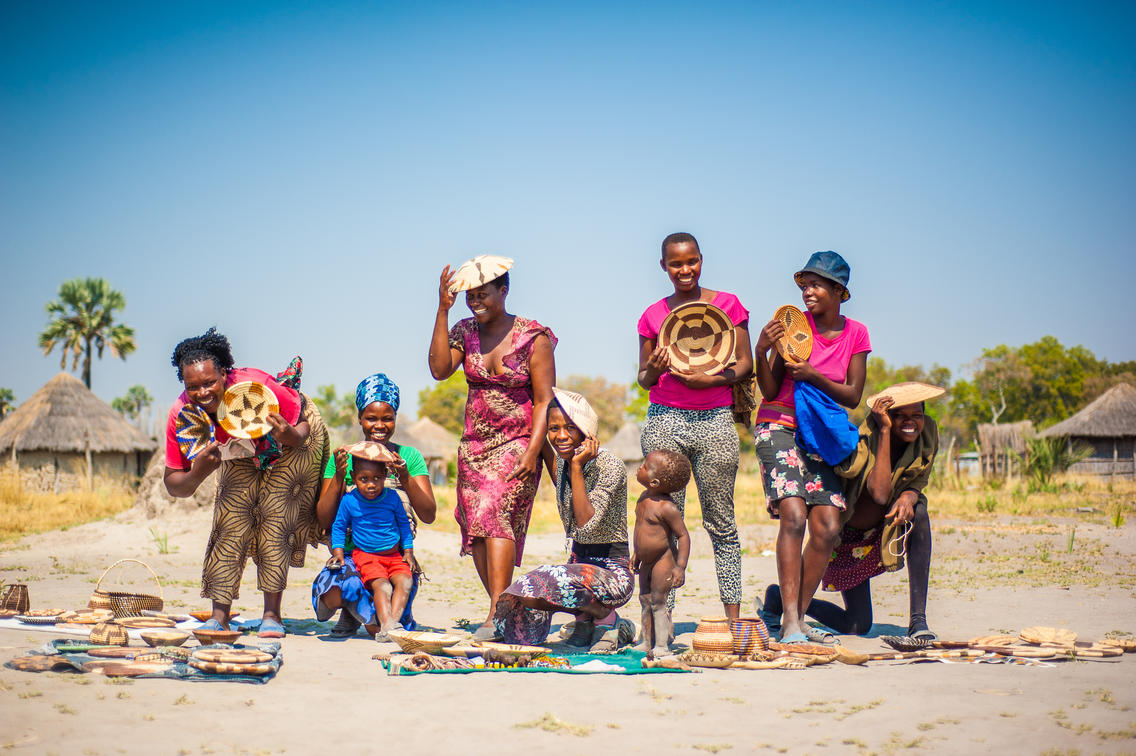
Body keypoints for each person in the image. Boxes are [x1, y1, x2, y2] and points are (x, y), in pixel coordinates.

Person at [163, 328, 328, 638]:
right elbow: (174, 484)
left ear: (225, 374)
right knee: (230, 517)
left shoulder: (257, 389)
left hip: (292, 436)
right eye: (192, 386)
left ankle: (272, 615)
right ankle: (219, 616)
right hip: (239, 446)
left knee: (275, 516)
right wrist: (198, 473)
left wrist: (289, 436)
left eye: (210, 382)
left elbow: (303, 424)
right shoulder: (183, 417)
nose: (202, 393)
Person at [428, 257, 556, 640]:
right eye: (470, 296)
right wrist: (443, 309)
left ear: (504, 290)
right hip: (474, 446)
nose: (475, 302)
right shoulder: (463, 331)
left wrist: (533, 451)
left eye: (483, 294)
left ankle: (496, 612)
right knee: (477, 527)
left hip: (518, 442)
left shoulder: (533, 338)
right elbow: (438, 370)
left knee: (495, 511)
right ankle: (505, 609)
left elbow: (545, 401)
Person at [753, 251, 870, 644]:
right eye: (805, 285)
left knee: (828, 527)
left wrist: (812, 375)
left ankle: (798, 618)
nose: (807, 291)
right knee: (793, 516)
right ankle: (789, 622)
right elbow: (770, 389)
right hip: (778, 425)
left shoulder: (856, 334)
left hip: (820, 434)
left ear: (839, 291)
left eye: (817, 285)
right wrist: (761, 351)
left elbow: (853, 395)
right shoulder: (793, 327)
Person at [761, 386, 940, 639]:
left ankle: (918, 622)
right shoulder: (868, 440)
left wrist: (909, 495)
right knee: (857, 625)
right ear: (887, 417)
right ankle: (781, 598)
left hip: (882, 529)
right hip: (848, 540)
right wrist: (885, 430)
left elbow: (919, 480)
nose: (910, 422)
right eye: (900, 416)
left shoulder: (927, 435)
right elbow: (879, 494)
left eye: (917, 415)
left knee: (919, 510)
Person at [637, 232, 752, 620]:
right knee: (664, 522)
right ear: (663, 266)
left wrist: (712, 380)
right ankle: (662, 620)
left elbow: (744, 364)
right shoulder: (653, 315)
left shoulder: (728, 305)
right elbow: (643, 379)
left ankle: (733, 622)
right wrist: (653, 370)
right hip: (665, 420)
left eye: (691, 261)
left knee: (722, 523)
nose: (684, 270)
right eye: (675, 264)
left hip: (715, 420)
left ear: (701, 260)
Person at [493, 388, 635, 652]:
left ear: (586, 429)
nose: (560, 436)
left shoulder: (609, 465)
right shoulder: (562, 461)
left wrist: (577, 467)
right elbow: (536, 428)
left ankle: (607, 618)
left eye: (570, 427)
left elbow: (586, 525)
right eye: (553, 428)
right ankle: (585, 618)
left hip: (613, 574)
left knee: (546, 579)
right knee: (523, 593)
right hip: (578, 565)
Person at [311, 373, 437, 637]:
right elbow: (324, 520)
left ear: (395, 418)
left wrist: (404, 476)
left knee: (387, 611)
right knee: (332, 593)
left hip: (392, 557)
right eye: (371, 418)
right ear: (359, 418)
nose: (379, 425)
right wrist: (339, 476)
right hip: (352, 556)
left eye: (387, 418)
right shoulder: (343, 458)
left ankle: (366, 614)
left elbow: (428, 514)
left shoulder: (409, 457)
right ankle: (353, 609)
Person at [326, 442, 418, 641]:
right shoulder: (349, 500)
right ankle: (387, 625)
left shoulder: (392, 497)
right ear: (353, 476)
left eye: (377, 478)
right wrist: (338, 553)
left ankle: (390, 626)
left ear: (385, 475)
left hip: (394, 556)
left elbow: (404, 525)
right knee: (383, 586)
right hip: (367, 557)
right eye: (363, 479)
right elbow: (339, 527)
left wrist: (408, 552)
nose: (371, 484)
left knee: (405, 582)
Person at [633, 449, 692, 659]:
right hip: (646, 560)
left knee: (658, 601)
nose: (640, 467)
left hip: (663, 560)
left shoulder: (667, 508)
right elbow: (640, 530)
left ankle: (661, 645)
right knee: (644, 598)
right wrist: (636, 555)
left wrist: (680, 567)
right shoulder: (643, 498)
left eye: (645, 466)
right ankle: (646, 641)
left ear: (655, 482)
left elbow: (683, 536)